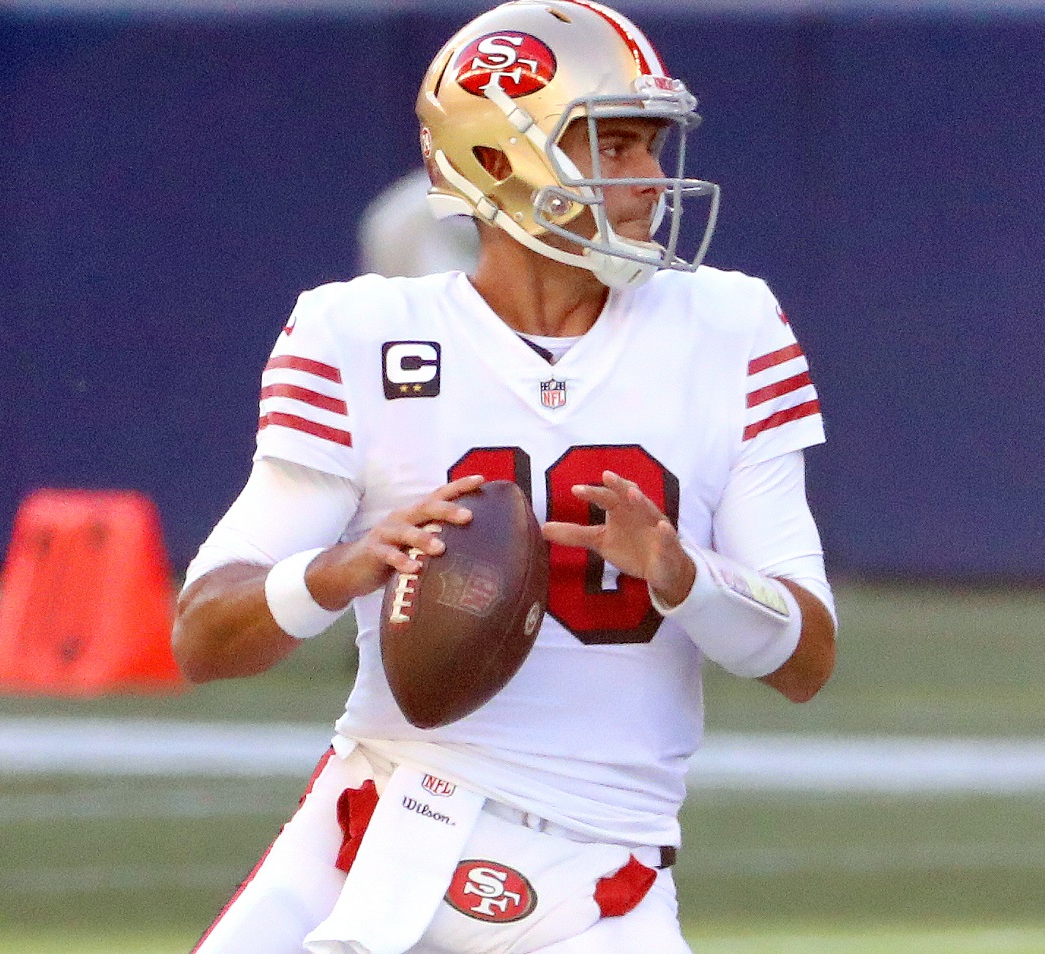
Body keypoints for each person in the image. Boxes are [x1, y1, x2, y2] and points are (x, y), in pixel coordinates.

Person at [175, 2, 836, 952]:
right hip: (378, 827)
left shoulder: (731, 327)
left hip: (600, 875)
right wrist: (341, 568)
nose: (652, 180)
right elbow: (203, 636)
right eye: (616, 146)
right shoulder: (355, 332)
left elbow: (808, 661)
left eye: (656, 146)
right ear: (497, 161)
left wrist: (684, 575)